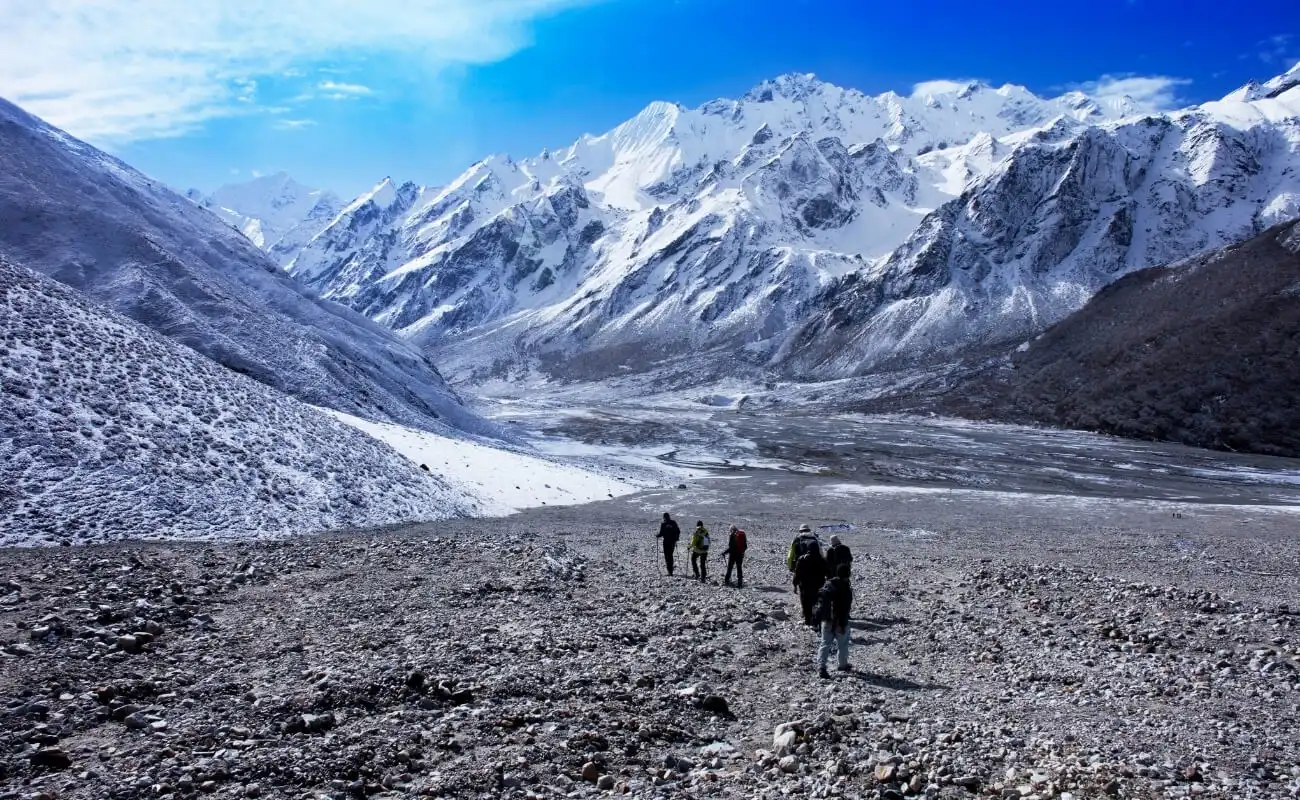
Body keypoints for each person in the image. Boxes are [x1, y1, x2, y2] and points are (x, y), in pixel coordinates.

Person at [815, 563, 854, 678]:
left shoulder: (828, 584)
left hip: (827, 620)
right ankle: (842, 665)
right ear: (848, 574)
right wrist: (842, 624)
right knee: (843, 644)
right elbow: (845, 608)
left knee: (825, 644)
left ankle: (821, 667)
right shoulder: (845, 588)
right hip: (839, 621)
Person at [792, 540, 828, 626]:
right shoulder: (822, 560)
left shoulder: (802, 559)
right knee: (816, 602)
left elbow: (797, 574)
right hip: (818, 585)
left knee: (806, 602)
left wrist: (795, 584)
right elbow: (827, 572)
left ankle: (807, 619)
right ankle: (816, 619)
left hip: (805, 585)